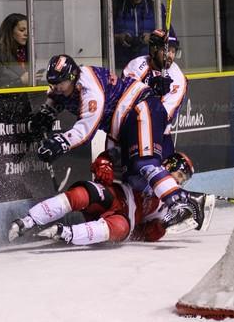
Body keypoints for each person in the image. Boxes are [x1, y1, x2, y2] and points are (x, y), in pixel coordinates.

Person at [30, 54, 192, 218]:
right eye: (53, 83)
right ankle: (150, 214)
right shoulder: (67, 84)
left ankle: (181, 201)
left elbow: (86, 130)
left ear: (72, 77)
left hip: (139, 110)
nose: (56, 87)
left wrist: (60, 143)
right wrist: (47, 112)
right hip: (123, 123)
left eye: (59, 83)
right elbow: (56, 95)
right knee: (129, 178)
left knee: (145, 163)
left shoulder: (90, 91)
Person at [8, 152, 213, 245]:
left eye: (183, 180)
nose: (179, 182)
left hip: (124, 220)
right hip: (115, 195)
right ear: (169, 166)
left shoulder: (168, 206)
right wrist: (103, 163)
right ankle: (29, 220)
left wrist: (160, 228)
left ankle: (65, 233)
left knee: (120, 229)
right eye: (179, 176)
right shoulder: (147, 164)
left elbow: (143, 234)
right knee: (81, 195)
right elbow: (111, 156)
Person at [122, 29, 187, 159]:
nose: (170, 56)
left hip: (161, 136)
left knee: (165, 175)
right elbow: (125, 102)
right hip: (133, 131)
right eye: (166, 50)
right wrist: (151, 91)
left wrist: (156, 98)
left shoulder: (178, 77)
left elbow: (165, 116)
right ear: (153, 50)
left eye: (173, 51)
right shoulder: (135, 66)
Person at [0, 13, 30, 88]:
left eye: (29, 30)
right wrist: (21, 81)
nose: (26, 33)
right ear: (10, 31)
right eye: (22, 30)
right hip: (5, 98)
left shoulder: (26, 52)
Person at [113, 0, 155, 70]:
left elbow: (169, 38)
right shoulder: (114, 8)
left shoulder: (154, 7)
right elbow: (101, 40)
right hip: (121, 66)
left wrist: (152, 37)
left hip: (148, 65)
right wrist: (118, 38)